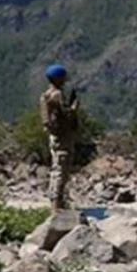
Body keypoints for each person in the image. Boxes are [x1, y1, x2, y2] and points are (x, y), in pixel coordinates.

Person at [38, 64, 79, 210]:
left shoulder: (45, 95)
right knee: (61, 169)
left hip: (54, 136)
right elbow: (66, 114)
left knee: (56, 167)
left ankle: (55, 201)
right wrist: (74, 107)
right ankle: (57, 204)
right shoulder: (57, 95)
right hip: (63, 136)